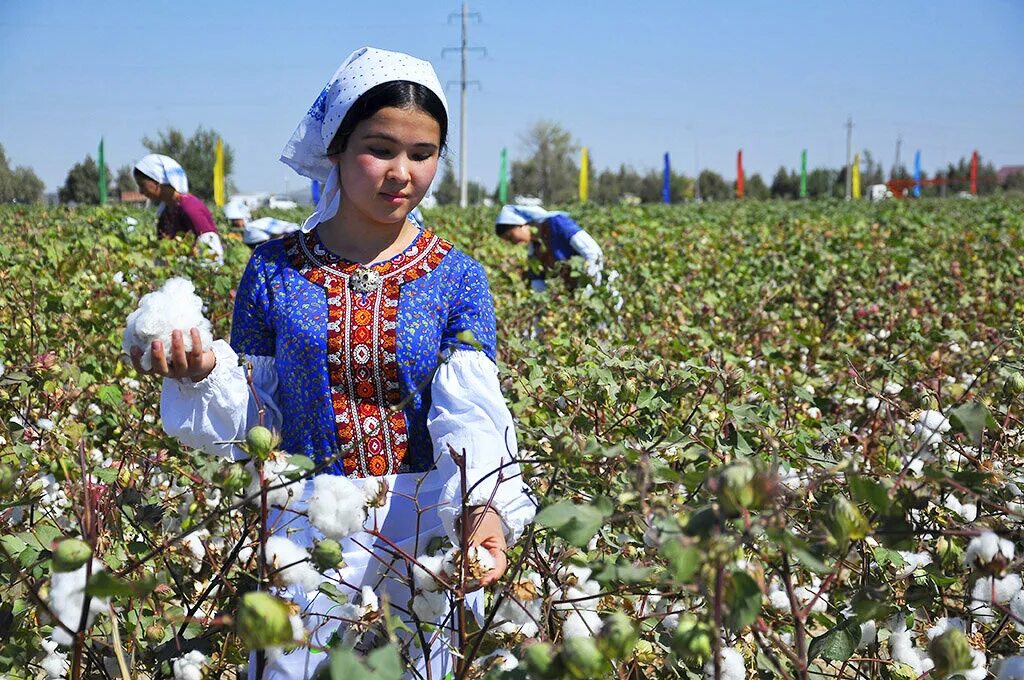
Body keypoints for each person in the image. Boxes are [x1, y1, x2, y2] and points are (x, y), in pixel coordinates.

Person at [127, 47, 534, 679]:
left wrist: (483, 511)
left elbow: (472, 415)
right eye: (380, 148)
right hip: (303, 524)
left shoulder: (456, 278)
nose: (402, 172)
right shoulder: (273, 269)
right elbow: (260, 419)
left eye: (423, 155)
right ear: (335, 150)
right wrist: (204, 376)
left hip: (422, 520)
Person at [133, 154, 224, 265]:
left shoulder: (190, 208)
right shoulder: (165, 212)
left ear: (157, 181)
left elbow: (212, 253)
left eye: (142, 185)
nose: (141, 192)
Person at [494, 204, 605, 292]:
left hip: (599, 290)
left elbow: (593, 253)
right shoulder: (535, 247)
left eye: (511, 236)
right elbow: (538, 281)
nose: (513, 242)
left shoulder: (558, 223)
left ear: (522, 223)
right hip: (576, 296)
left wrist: (586, 288)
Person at [223, 200, 301, 249]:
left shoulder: (257, 225)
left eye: (235, 221)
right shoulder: (249, 229)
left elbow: (286, 229)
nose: (234, 224)